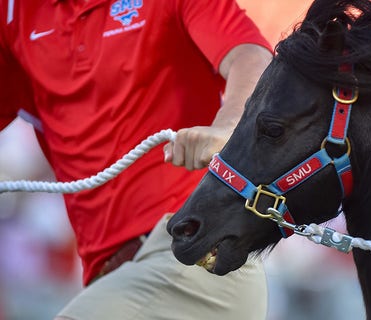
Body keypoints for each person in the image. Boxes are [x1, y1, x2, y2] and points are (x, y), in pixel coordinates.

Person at [0, 0, 272, 319]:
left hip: (195, 255)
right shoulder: (13, 13)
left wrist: (230, 123)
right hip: (112, 279)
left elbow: (251, 57)